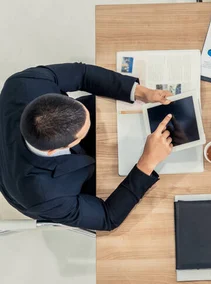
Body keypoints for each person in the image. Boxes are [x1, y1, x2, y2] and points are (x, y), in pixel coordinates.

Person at [0, 63, 174, 231]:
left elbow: (82, 74)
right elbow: (108, 217)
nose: (91, 122)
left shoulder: (25, 82)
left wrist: (139, 91)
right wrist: (146, 163)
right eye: (84, 131)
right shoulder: (45, 196)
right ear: (56, 150)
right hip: (72, 183)